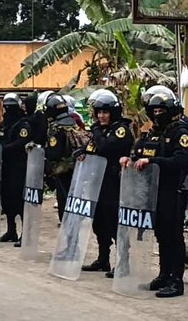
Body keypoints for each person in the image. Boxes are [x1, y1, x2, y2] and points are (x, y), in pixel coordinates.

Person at [123, 85, 188, 298]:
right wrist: (130, 159)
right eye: (153, 110)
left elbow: (180, 160)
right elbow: (139, 151)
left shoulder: (180, 131)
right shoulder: (152, 132)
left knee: (174, 235)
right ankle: (164, 274)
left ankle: (176, 281)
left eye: (161, 110)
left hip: (173, 191)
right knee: (161, 234)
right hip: (154, 193)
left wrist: (153, 161)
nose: (157, 114)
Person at [79, 89, 133, 274]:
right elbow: (93, 149)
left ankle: (123, 263)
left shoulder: (120, 130)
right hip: (99, 183)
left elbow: (104, 147)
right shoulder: (102, 131)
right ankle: (103, 259)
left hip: (115, 184)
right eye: (99, 113)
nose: (101, 116)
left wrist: (95, 131)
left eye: (105, 112)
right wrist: (81, 153)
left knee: (114, 223)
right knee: (99, 222)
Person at [44, 94, 88, 224]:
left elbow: (54, 153)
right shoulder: (73, 123)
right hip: (77, 170)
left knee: (64, 202)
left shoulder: (56, 128)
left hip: (63, 172)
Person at [0, 93, 31, 242]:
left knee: (20, 201)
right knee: (7, 200)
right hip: (6, 167)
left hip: (20, 168)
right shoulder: (4, 123)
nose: (8, 110)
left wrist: (5, 149)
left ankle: (25, 234)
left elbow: (21, 142)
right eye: (6, 107)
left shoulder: (23, 125)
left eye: (11, 107)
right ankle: (11, 230)